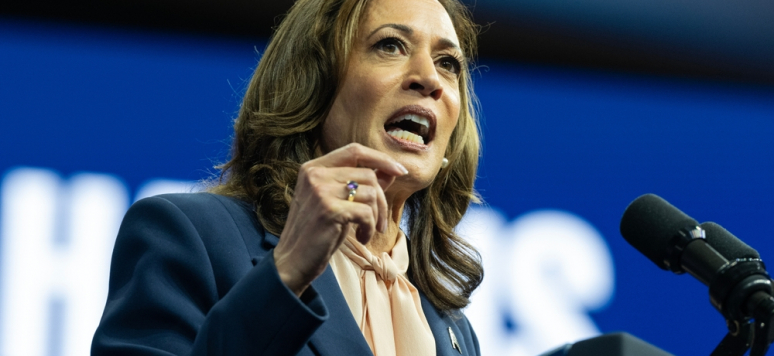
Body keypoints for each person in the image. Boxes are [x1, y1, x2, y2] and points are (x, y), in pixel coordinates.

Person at [91, 0, 484, 354]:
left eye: (447, 63)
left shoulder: (454, 330)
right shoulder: (189, 235)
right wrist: (288, 271)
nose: (429, 79)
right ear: (313, 80)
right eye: (390, 45)